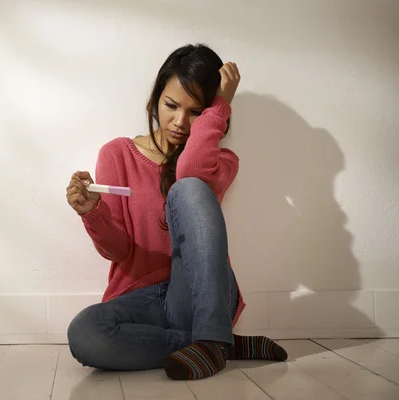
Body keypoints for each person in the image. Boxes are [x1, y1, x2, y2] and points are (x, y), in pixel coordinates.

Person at [65, 43, 287, 381]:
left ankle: (211, 336)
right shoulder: (117, 154)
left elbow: (189, 170)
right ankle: (219, 345)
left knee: (188, 187)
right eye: (171, 105)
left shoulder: (221, 162)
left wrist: (221, 104)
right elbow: (119, 251)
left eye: (196, 111)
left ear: (213, 112)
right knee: (85, 333)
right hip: (142, 302)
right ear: (156, 98)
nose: (180, 122)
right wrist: (93, 213)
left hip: (199, 298)